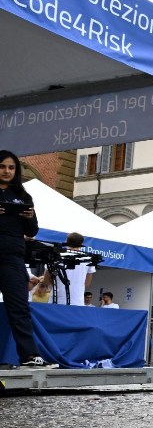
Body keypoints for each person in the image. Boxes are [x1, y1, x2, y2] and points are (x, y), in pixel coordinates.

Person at [0, 150, 54, 369]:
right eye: (2, 166)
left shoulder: (23, 196)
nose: (6, 171)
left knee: (19, 307)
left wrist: (30, 218)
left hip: (12, 257)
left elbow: (33, 230)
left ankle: (29, 355)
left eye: (11, 167)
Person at [40, 231, 94, 306]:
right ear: (81, 244)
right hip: (78, 302)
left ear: (66, 241)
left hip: (57, 300)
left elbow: (46, 281)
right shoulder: (88, 258)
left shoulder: (55, 256)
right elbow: (87, 283)